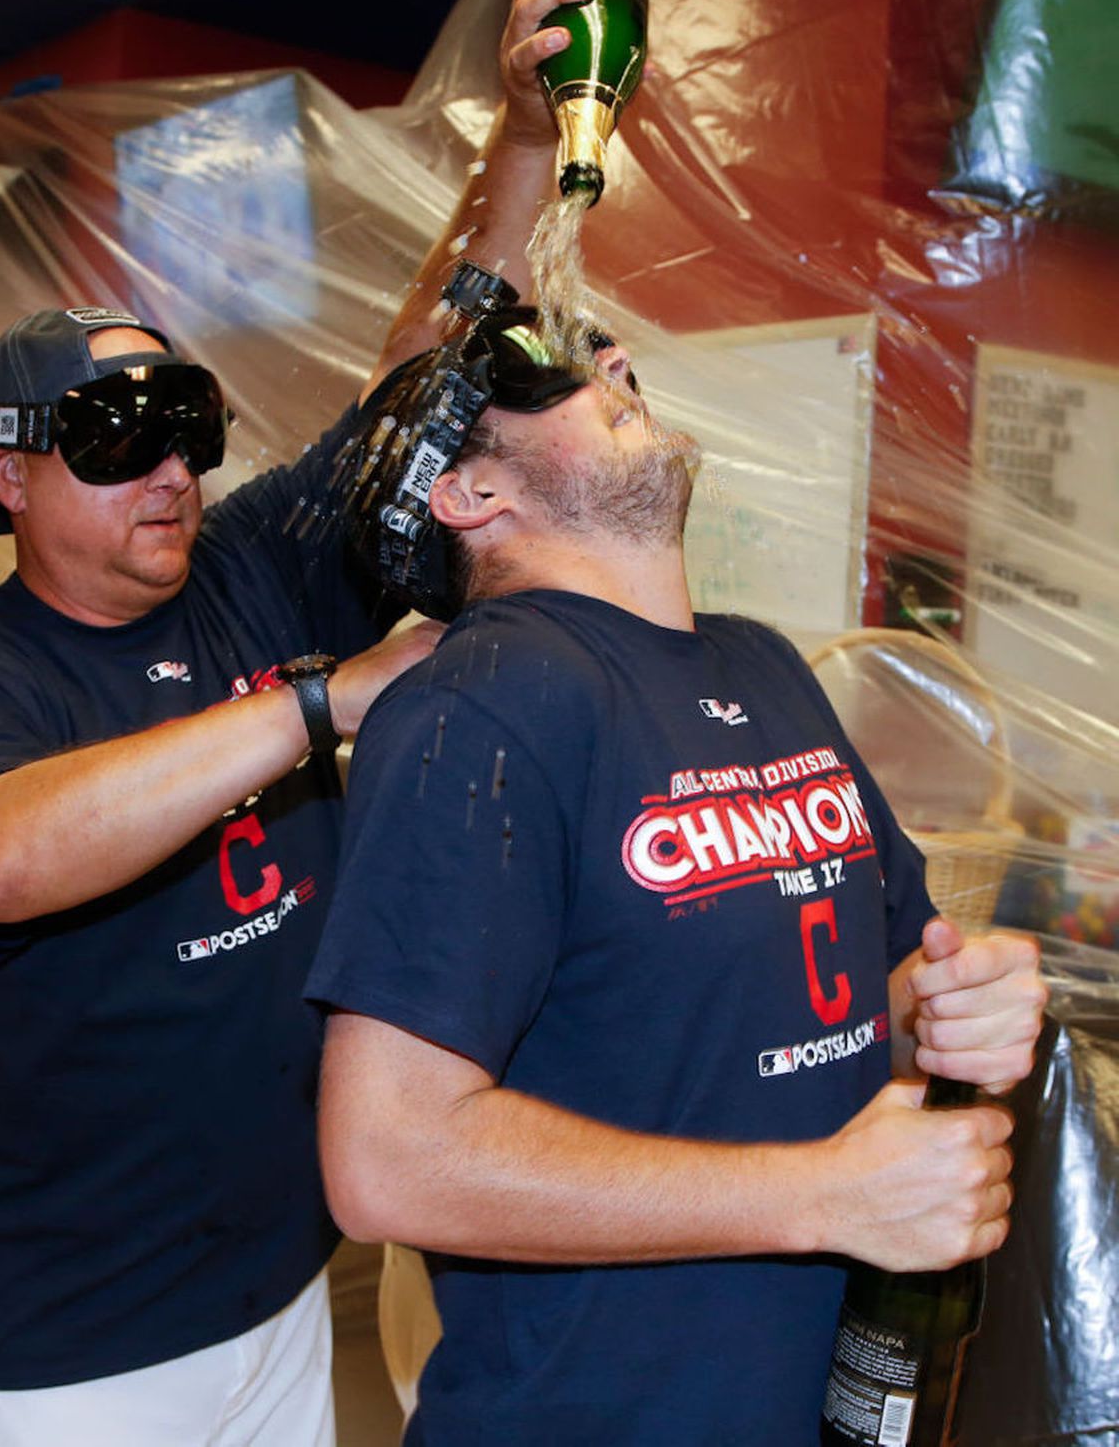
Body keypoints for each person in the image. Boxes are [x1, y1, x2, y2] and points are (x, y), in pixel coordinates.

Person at [0, 0, 596, 1441]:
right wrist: (323, 701)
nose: (169, 471)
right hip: (56, 1337)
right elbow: (3, 862)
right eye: (111, 438)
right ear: (9, 479)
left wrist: (520, 144)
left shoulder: (251, 572)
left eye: (186, 429)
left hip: (272, 1297)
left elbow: (416, 393)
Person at [304, 273, 1049, 1445]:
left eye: (604, 347)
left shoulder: (761, 666)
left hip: (826, 1398)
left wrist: (957, 1003)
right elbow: (387, 1158)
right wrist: (821, 1196)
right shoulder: (481, 705)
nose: (608, 360)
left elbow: (876, 984)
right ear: (467, 489)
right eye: (548, 370)